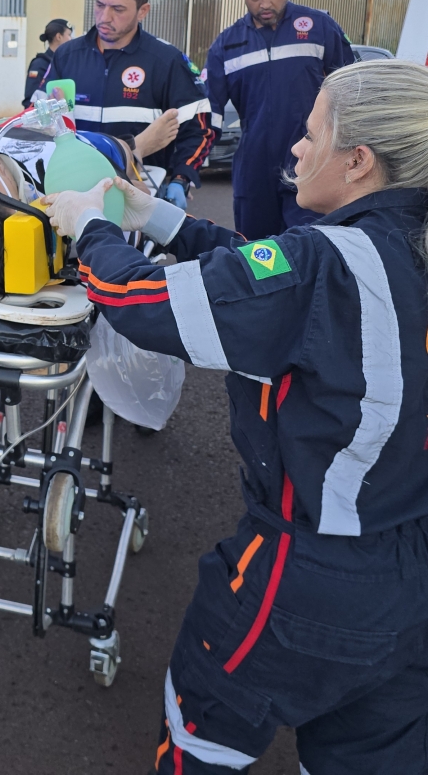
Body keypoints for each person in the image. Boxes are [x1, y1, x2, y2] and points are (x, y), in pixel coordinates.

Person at [42, 59, 428, 773]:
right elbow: (263, 274)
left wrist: (90, 228)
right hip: (410, 577)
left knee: (204, 734)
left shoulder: (327, 262)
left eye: (311, 135)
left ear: (359, 161)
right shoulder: (393, 248)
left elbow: (145, 304)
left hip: (312, 571)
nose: (295, 149)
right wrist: (155, 216)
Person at [0, 114, 176, 297]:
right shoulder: (74, 196)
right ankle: (139, 147)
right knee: (119, 152)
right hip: (80, 144)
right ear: (16, 212)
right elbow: (137, 199)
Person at [205, 0, 354, 240]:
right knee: (256, 253)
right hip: (254, 169)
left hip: (311, 161)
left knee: (311, 249)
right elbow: (208, 114)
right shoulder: (227, 45)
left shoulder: (319, 28)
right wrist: (184, 171)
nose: (265, 4)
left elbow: (352, 90)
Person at [39, 0, 212, 211]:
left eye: (118, 9)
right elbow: (34, 121)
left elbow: (200, 129)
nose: (104, 17)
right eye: (99, 5)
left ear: (143, 11)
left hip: (138, 199)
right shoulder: (66, 56)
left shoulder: (167, 61)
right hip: (72, 195)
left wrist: (181, 178)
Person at [23, 18, 72, 106]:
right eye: (69, 35)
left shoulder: (66, 63)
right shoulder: (39, 64)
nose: (71, 39)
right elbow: (30, 101)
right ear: (59, 37)